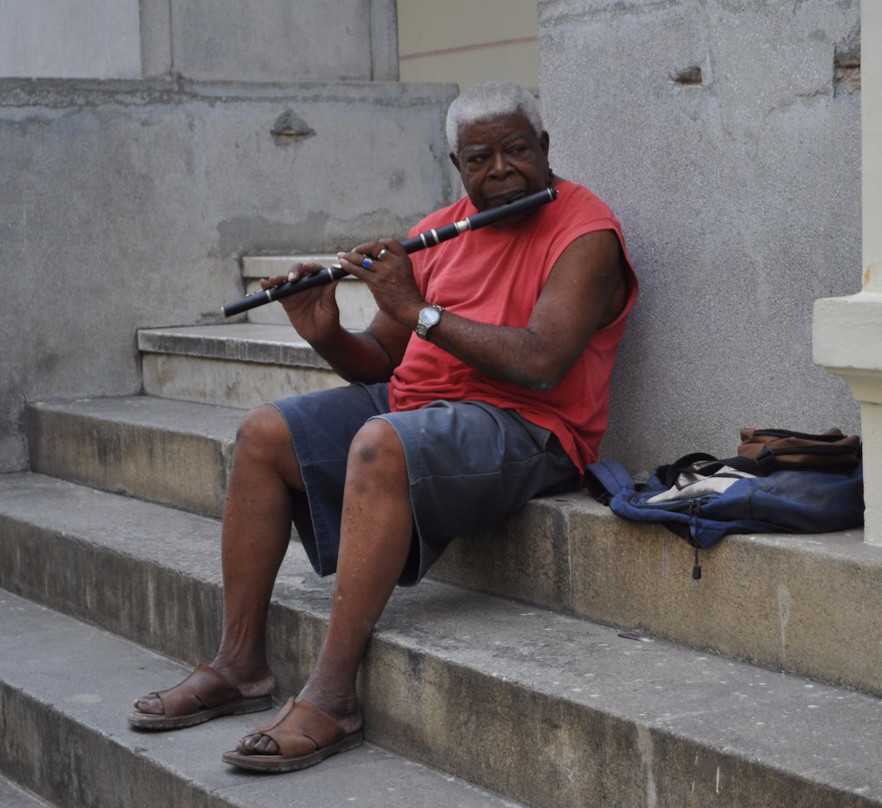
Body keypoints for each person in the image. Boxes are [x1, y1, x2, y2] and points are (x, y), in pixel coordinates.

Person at [127, 81, 638, 773]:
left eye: (517, 151)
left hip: (527, 426)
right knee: (263, 432)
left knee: (380, 443)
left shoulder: (585, 231)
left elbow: (542, 362)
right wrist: (325, 331)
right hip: (416, 407)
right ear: (457, 165)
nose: (501, 171)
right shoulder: (443, 229)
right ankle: (238, 664)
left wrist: (417, 308)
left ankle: (333, 696)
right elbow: (380, 360)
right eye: (480, 159)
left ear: (545, 148)